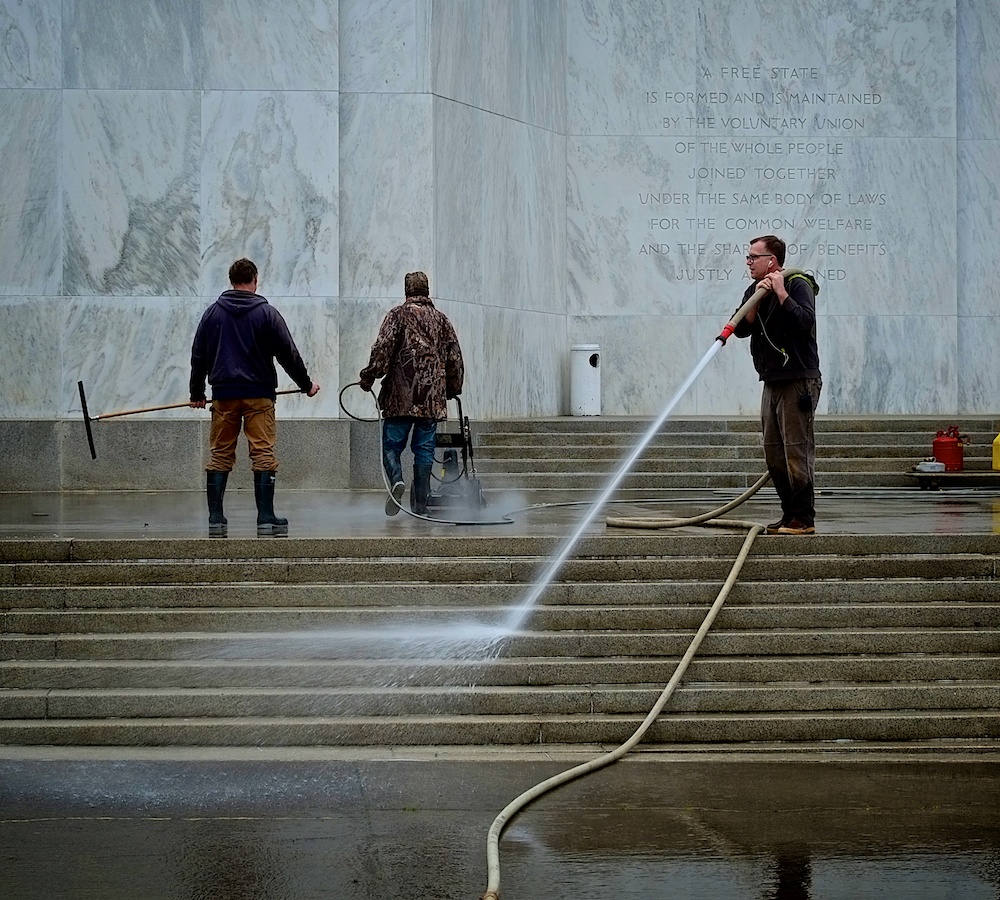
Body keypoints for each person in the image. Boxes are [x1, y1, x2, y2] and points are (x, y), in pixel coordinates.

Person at [190, 258, 320, 535]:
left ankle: (216, 517)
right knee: (262, 453)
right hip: (259, 396)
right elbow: (288, 354)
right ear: (255, 280)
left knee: (220, 454)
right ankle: (265, 516)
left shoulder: (212, 314)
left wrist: (197, 393)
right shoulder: (267, 314)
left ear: (231, 280)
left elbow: (199, 356)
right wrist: (306, 384)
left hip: (223, 395)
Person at [732, 235, 822, 535]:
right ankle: (788, 514)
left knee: (796, 450)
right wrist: (754, 304)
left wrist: (782, 293)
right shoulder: (754, 290)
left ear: (772, 260)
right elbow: (741, 330)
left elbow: (804, 321)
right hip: (771, 379)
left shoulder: (798, 283)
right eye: (748, 256)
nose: (748, 262)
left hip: (798, 379)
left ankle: (803, 518)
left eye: (754, 257)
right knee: (773, 450)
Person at [359, 271, 464, 517]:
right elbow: (454, 357)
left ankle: (396, 480)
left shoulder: (397, 315)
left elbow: (383, 349)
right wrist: (452, 389)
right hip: (431, 400)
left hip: (401, 397)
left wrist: (369, 376)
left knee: (391, 444)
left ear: (407, 292)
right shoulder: (442, 320)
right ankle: (421, 505)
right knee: (424, 449)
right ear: (426, 292)